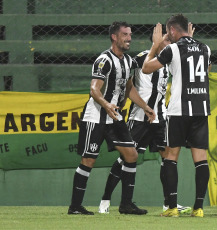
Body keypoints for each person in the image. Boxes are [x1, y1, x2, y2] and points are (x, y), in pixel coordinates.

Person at [98, 26, 195, 215]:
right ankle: (106, 199)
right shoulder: (142, 58)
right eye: (166, 40)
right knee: (126, 158)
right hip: (139, 117)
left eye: (171, 41)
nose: (170, 43)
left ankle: (169, 204)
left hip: (160, 117)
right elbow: (123, 75)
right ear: (156, 40)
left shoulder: (170, 59)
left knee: (167, 158)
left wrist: (188, 41)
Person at [67, 21, 155, 215]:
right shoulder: (104, 60)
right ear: (114, 37)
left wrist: (146, 107)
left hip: (114, 117)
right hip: (96, 116)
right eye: (125, 34)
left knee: (131, 155)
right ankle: (75, 207)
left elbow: (129, 88)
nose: (129, 38)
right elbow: (94, 89)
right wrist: (106, 104)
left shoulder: (128, 61)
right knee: (88, 160)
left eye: (130, 34)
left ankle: (126, 204)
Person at [142, 14, 211, 218]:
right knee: (201, 160)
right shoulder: (205, 48)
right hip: (200, 109)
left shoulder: (172, 49)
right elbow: (206, 71)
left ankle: (172, 207)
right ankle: (198, 208)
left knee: (171, 157)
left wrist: (155, 46)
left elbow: (146, 68)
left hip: (179, 110)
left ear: (172, 30)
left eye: (167, 32)